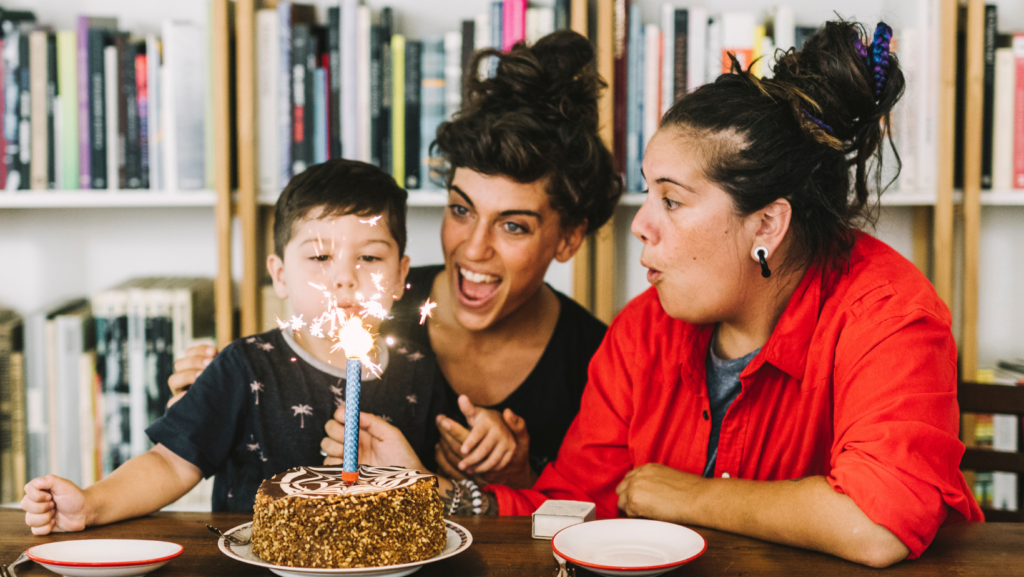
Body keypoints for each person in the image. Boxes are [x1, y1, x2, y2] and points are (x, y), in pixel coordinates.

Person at [323, 21, 983, 567]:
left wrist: (683, 494)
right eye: (648, 192)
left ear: (768, 223)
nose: (640, 223)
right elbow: (574, 504)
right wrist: (447, 496)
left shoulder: (890, 313)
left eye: (671, 199)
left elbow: (877, 523)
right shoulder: (642, 329)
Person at [170, 30, 622, 491]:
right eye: (461, 210)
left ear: (568, 238)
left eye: (513, 226)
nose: (473, 248)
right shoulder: (368, 298)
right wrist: (207, 399)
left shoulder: (596, 364)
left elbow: (580, 521)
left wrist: (518, 479)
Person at [21, 160, 444, 533]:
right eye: (319, 258)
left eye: (369, 259)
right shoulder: (245, 366)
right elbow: (170, 463)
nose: (345, 278)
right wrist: (91, 505)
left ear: (400, 276)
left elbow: (439, 487)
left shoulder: (420, 369)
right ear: (279, 275)